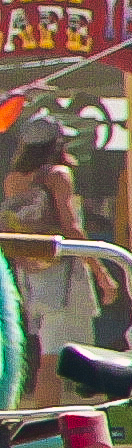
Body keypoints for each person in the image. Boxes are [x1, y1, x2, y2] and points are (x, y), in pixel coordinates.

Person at [5, 121, 86, 405]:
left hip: (30, 271)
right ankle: (48, 418)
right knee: (56, 354)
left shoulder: (13, 179)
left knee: (46, 349)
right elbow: (71, 227)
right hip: (62, 271)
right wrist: (101, 272)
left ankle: (45, 414)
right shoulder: (58, 175)